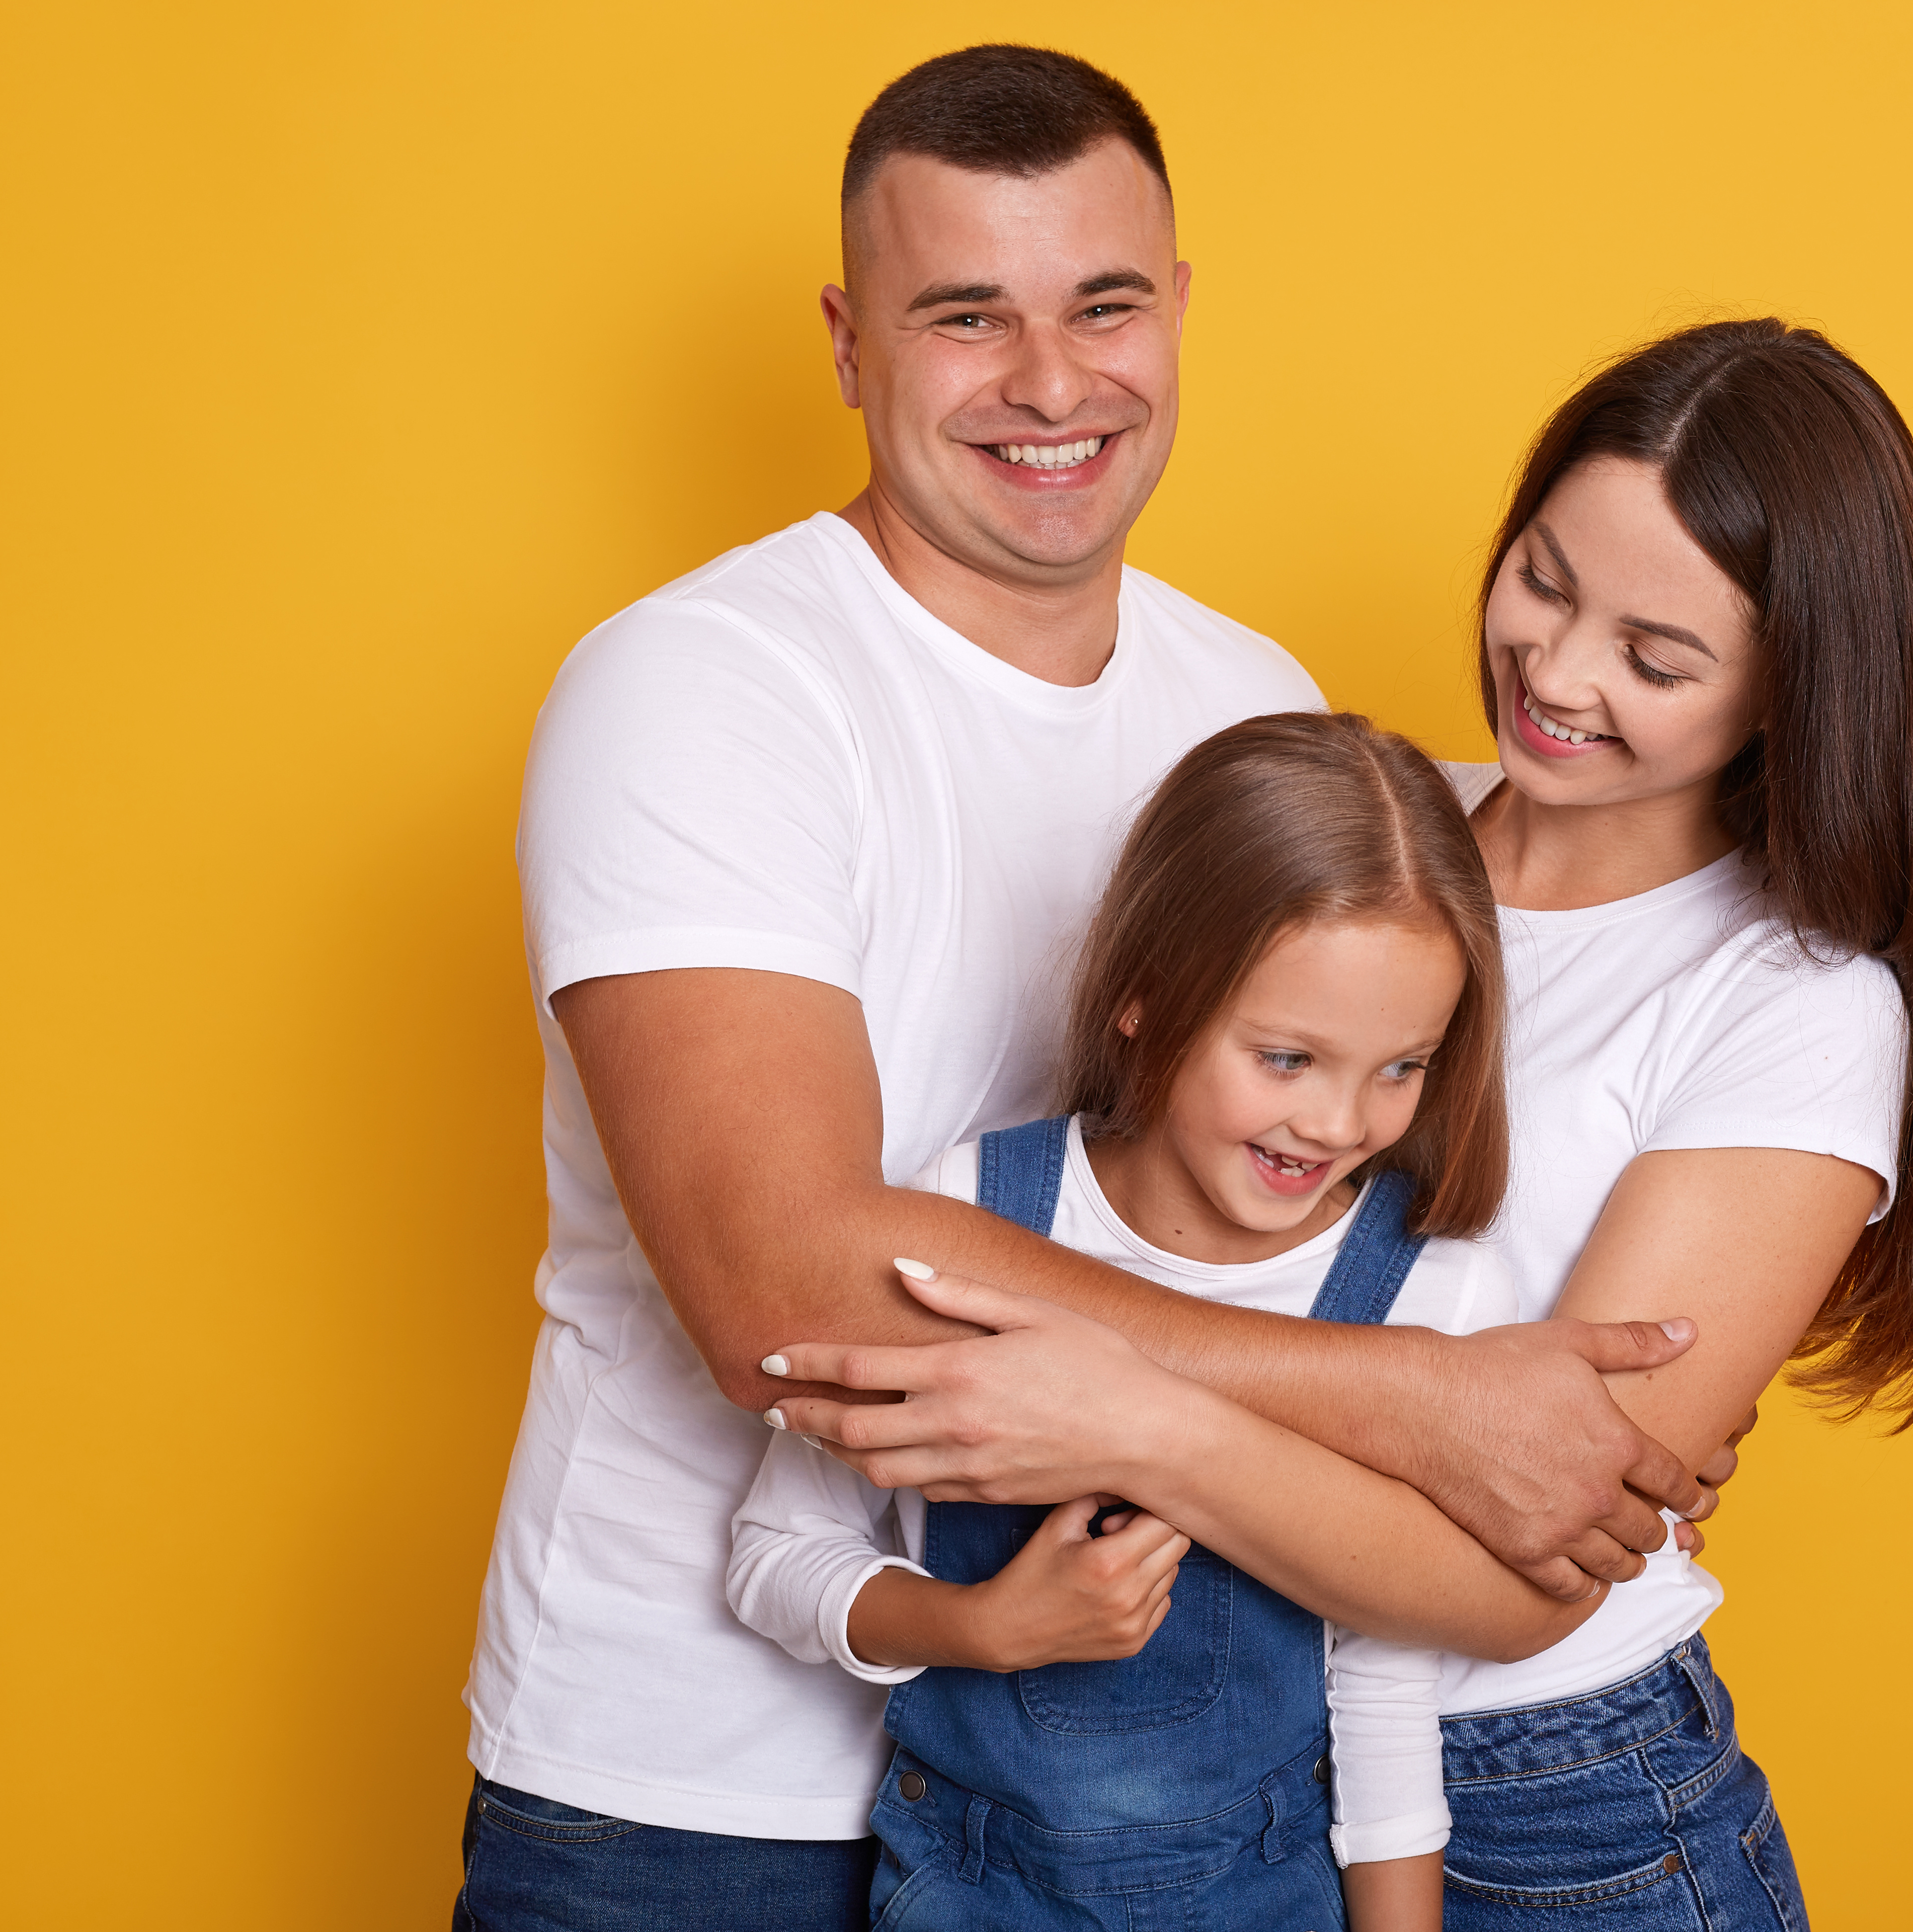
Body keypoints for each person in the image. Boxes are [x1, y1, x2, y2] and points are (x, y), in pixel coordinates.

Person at [454, 46, 1719, 1932]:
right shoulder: (702, 689)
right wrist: (1431, 1406)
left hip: (1140, 1809)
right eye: (967, 316)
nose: (1053, 385)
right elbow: (785, 1294)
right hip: (692, 1786)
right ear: (847, 339)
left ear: (1180, 311)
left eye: (1104, 304)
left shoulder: (1252, 713)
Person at [768, 320, 1913, 1929]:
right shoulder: (1359, 840)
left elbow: (1519, 1577)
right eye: (1546, 582)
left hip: (1560, 1812)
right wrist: (1424, 1417)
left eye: (1658, 657)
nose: (1559, 676)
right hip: (1211, 1797)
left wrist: (1127, 1416)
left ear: (1793, 692)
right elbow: (1092, 1206)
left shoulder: (1791, 1003)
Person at [732, 711, 1509, 1930]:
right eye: (1289, 1058)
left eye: (1402, 1067)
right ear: (1147, 996)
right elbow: (779, 1552)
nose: (1341, 1123)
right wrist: (981, 1628)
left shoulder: (1425, 1294)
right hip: (967, 1892)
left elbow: (1385, 1683)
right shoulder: (974, 1211)